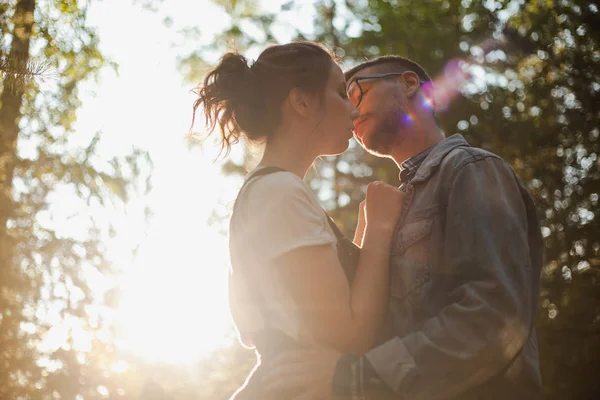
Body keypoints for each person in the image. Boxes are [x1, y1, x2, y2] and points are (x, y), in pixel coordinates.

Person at [259, 55, 544, 400]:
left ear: (409, 84)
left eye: (355, 92)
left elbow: (496, 315)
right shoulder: (386, 210)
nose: (350, 111)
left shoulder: (471, 168)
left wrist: (360, 375)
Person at [191, 43, 405, 399]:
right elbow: (349, 336)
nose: (354, 110)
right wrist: (381, 232)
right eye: (340, 93)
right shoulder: (279, 194)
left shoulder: (274, 193)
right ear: (301, 102)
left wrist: (368, 227)